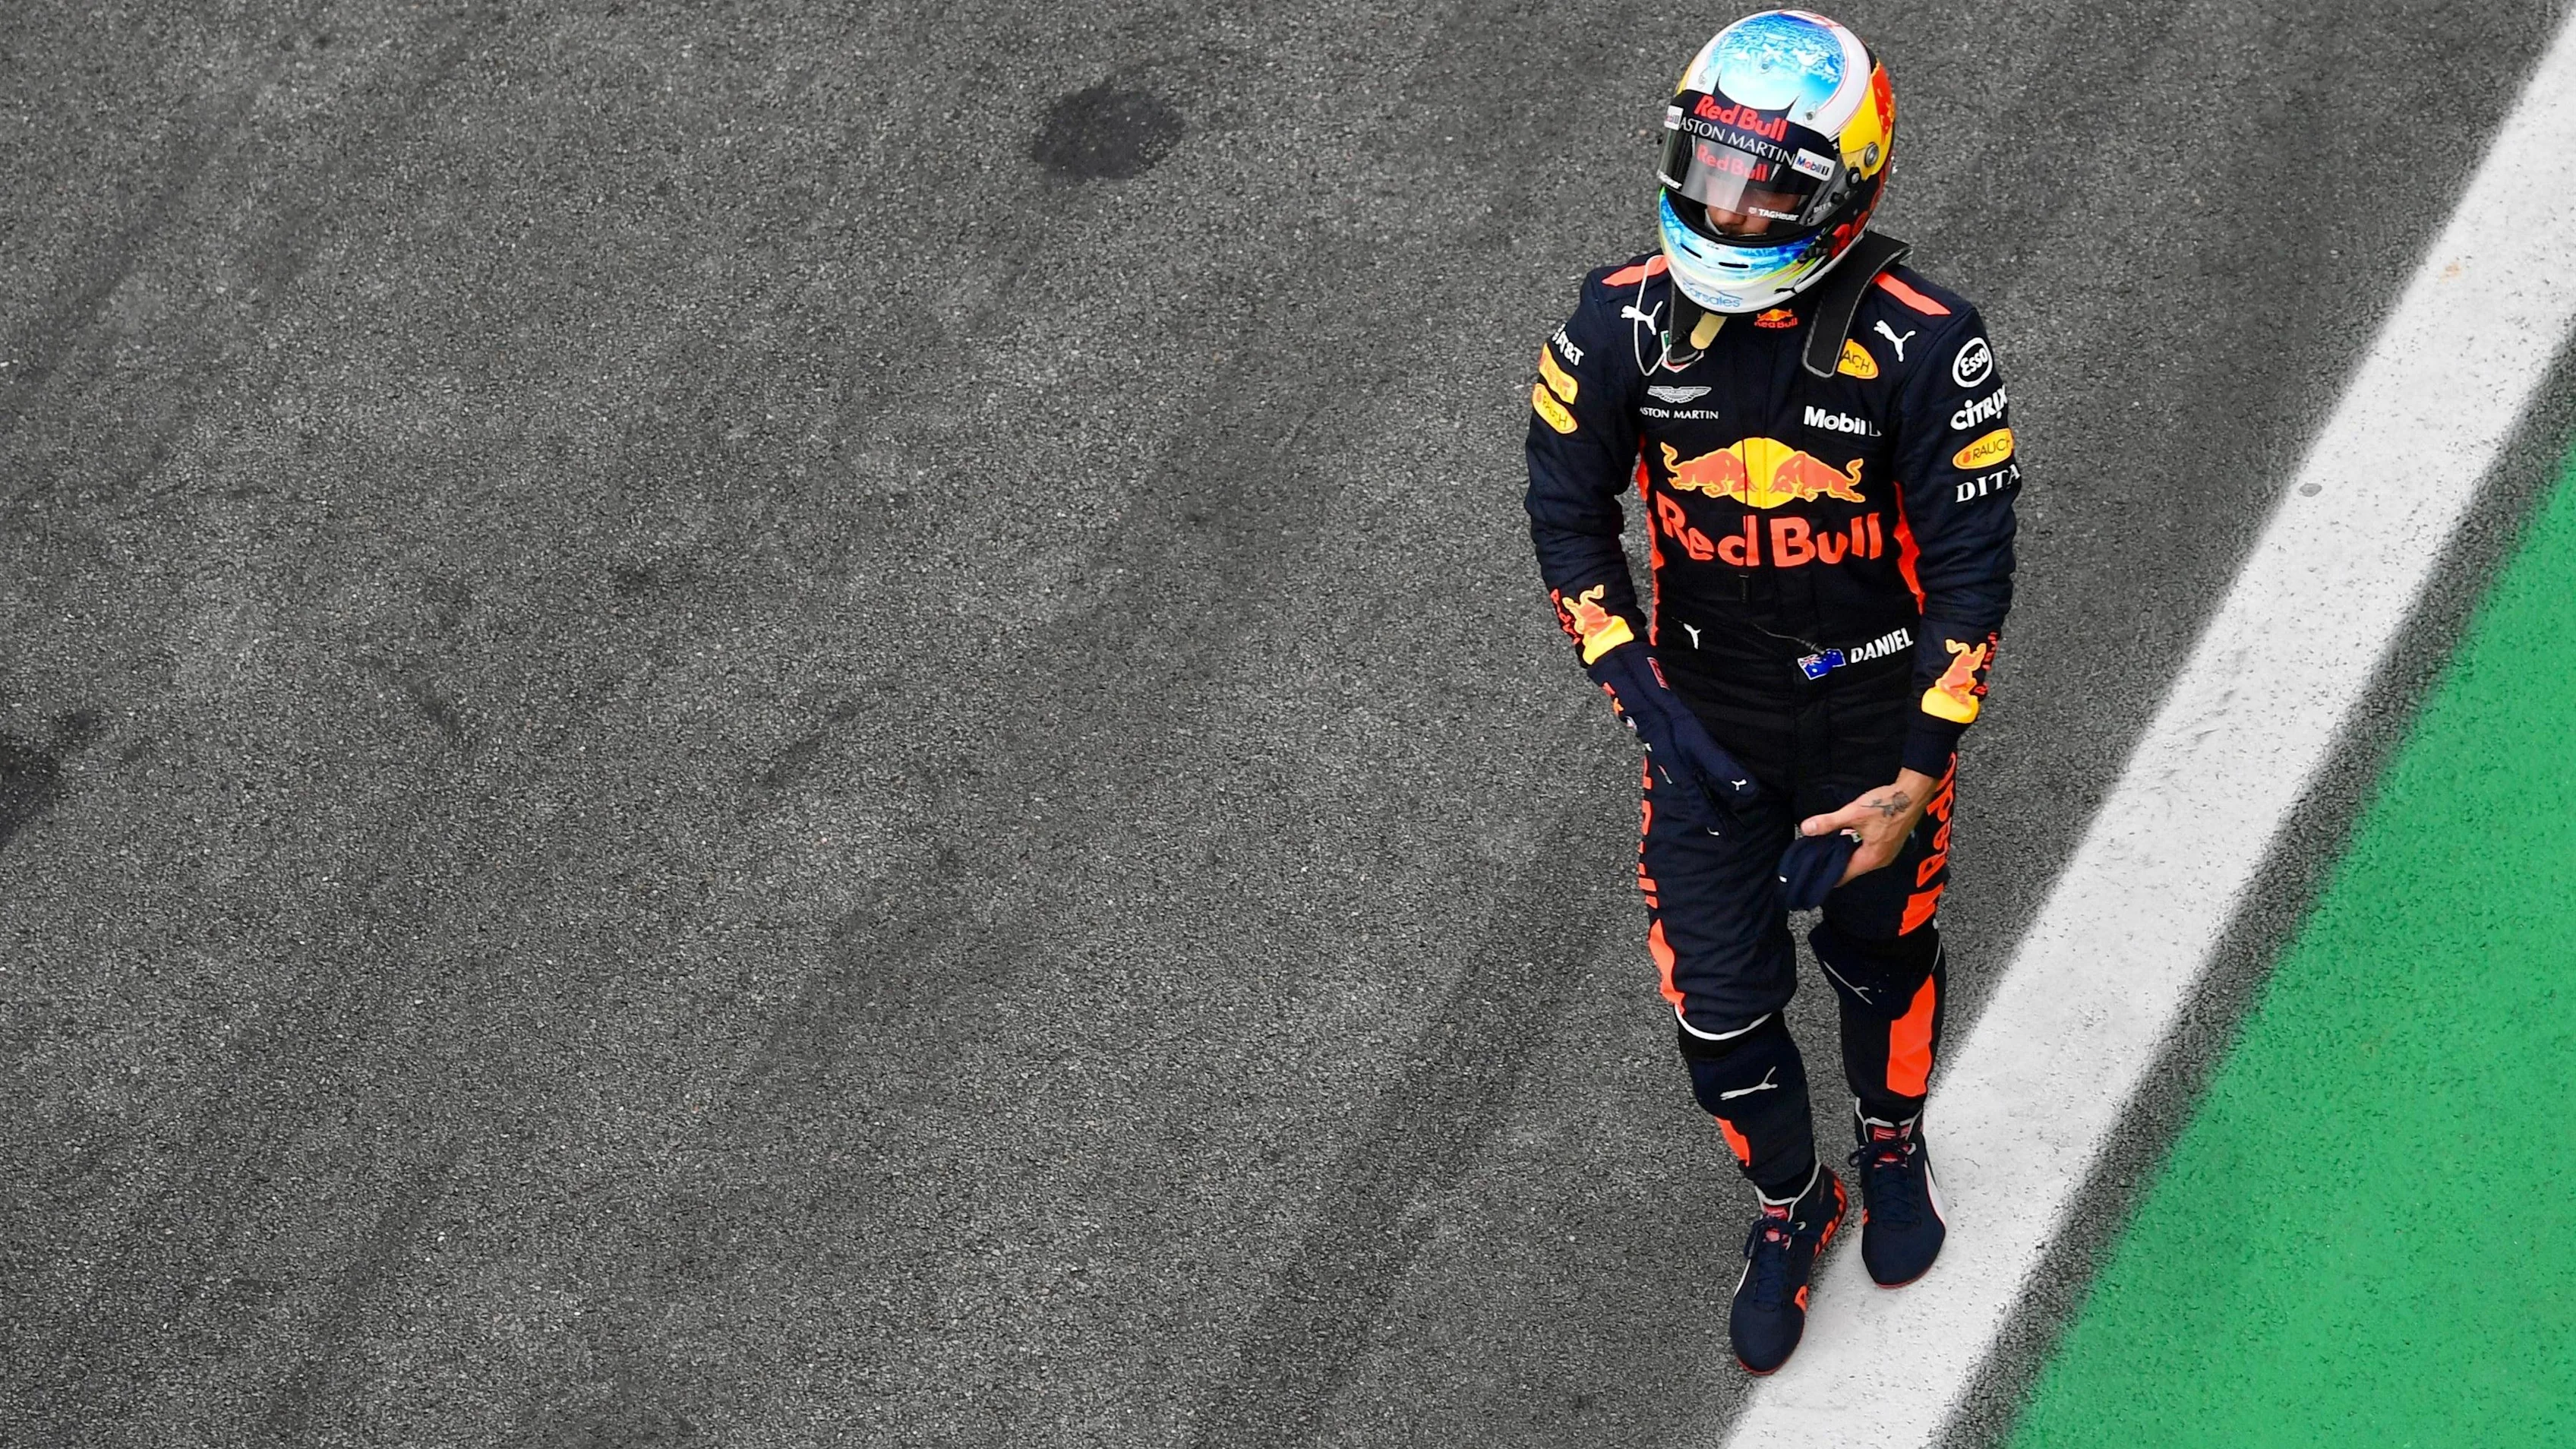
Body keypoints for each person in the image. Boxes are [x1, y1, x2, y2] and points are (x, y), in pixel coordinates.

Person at [1523, 8, 2019, 1375]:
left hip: (1876, 732)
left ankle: (1894, 1139)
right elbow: (1567, 522)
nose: (1731, 209)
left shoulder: (1930, 343)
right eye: (1713, 167)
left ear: (1851, 188)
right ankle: (1797, 1207)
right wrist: (1643, 700)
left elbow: (1972, 576)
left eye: (1771, 184)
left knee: (1880, 959)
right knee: (1718, 1010)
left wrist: (1918, 772)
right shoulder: (1613, 318)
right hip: (1705, 730)